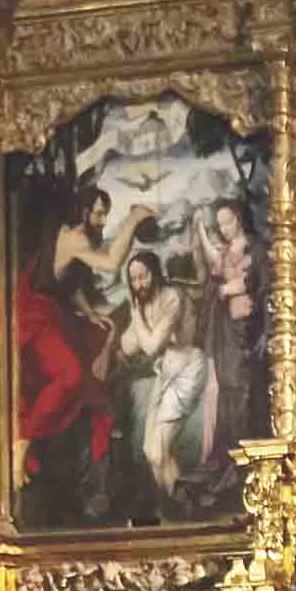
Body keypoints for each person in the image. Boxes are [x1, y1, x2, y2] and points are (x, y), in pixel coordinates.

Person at [15, 185, 156, 514]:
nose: (103, 220)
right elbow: (111, 263)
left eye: (106, 214)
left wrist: (90, 312)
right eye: (98, 214)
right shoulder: (75, 237)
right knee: (72, 376)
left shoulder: (77, 238)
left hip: (53, 311)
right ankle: (23, 440)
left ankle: (96, 471)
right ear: (82, 213)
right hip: (34, 316)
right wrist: (133, 220)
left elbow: (70, 282)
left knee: (100, 342)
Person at [118, 247, 213, 503]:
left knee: (159, 448)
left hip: (188, 369)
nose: (139, 284)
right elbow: (127, 346)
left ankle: (177, 502)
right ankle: (173, 501)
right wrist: (139, 320)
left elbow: (150, 346)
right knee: (151, 450)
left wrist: (135, 315)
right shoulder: (145, 304)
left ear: (155, 273)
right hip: (166, 372)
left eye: (143, 276)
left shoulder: (172, 297)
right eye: (134, 279)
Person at [192, 198, 265, 492]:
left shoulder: (253, 249)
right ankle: (228, 457)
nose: (224, 229)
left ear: (239, 218)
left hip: (245, 330)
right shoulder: (225, 251)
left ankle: (243, 462)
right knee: (227, 389)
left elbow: (253, 283)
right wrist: (200, 230)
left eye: (228, 222)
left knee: (241, 389)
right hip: (227, 330)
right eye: (220, 224)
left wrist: (225, 288)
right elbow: (213, 262)